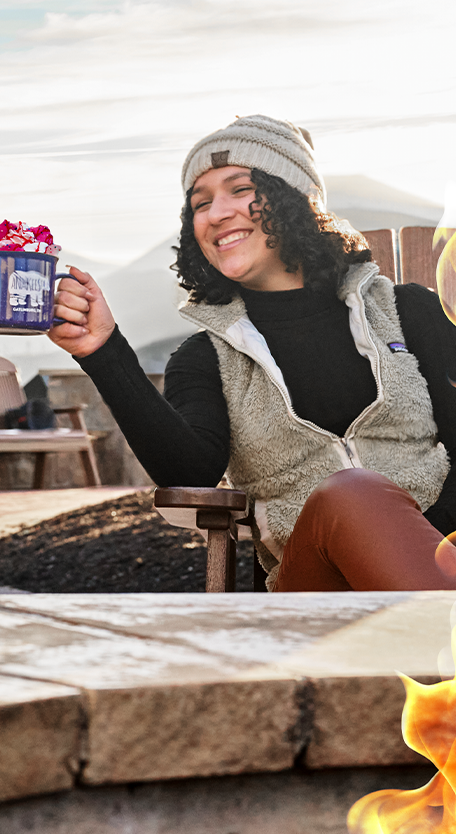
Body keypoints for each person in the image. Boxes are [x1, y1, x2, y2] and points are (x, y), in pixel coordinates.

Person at [49, 114, 456, 591]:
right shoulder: (206, 358)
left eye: (241, 190)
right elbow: (188, 475)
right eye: (200, 203)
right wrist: (103, 352)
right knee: (352, 493)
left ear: (296, 199)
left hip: (440, 555)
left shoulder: (408, 313)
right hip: (317, 589)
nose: (216, 213)